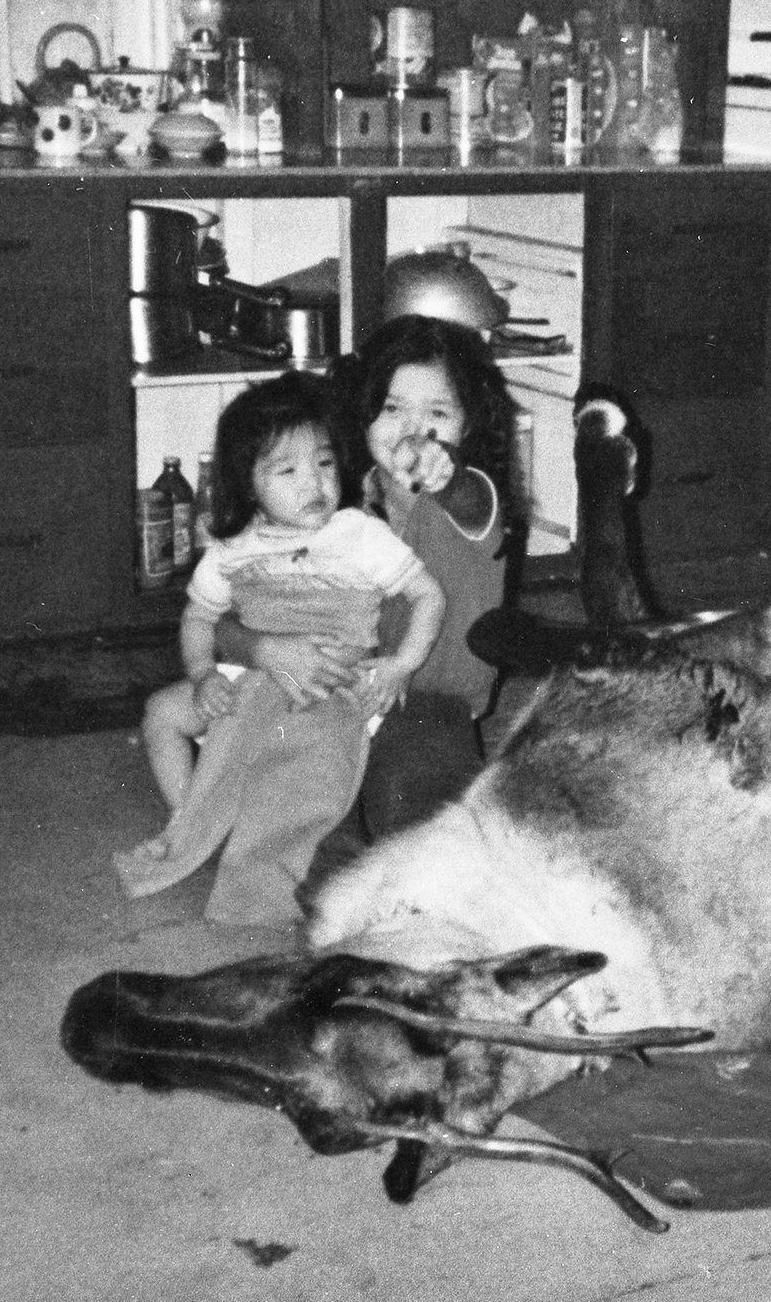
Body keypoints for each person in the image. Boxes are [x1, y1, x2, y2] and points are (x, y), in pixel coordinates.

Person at [116, 370, 447, 926]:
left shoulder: (357, 534)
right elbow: (198, 616)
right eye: (287, 470)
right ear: (249, 485)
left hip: (332, 684)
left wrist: (402, 665)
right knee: (161, 714)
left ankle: (258, 857)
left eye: (323, 463)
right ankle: (192, 820)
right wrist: (202, 675)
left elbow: (427, 595)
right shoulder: (232, 548)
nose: (312, 483)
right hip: (251, 680)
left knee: (300, 774)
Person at [213, 314, 523, 867]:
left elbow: (465, 493)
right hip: (326, 695)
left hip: (426, 703)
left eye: (438, 414)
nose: (414, 430)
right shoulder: (328, 499)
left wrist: (447, 470)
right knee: (278, 804)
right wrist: (267, 650)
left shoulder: (471, 498)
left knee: (417, 812)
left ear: (470, 423)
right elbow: (225, 618)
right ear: (363, 412)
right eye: (393, 408)